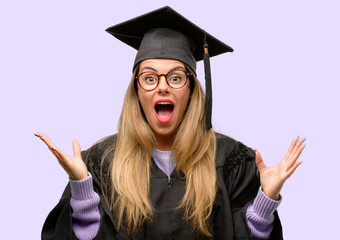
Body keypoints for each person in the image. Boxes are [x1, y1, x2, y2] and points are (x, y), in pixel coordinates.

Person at [36, 6, 305, 240]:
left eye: (175, 78)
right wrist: (82, 190)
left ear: (191, 90)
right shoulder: (102, 163)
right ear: (136, 90)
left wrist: (263, 203)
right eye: (150, 78)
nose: (162, 87)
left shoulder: (231, 161)